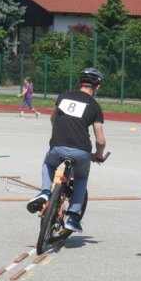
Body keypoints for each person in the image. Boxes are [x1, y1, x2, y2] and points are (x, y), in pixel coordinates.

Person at [26, 68, 107, 233]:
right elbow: (100, 140)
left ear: (80, 83)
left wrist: (59, 136)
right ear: (97, 86)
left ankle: (45, 192)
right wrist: (98, 155)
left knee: (48, 165)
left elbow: (52, 118)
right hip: (81, 150)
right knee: (81, 177)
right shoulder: (94, 106)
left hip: (57, 146)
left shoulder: (63, 96)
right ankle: (74, 217)